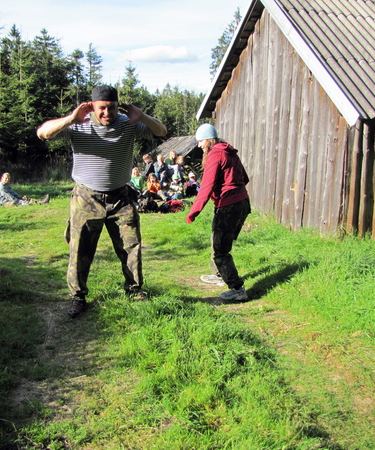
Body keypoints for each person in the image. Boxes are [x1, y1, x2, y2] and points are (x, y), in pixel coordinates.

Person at [36, 85, 167, 318]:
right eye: (102, 108)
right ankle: (78, 296)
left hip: (121, 197)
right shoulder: (78, 124)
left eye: (112, 107)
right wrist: (71, 118)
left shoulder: (128, 124)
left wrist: (142, 117)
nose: (107, 113)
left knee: (131, 246)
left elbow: (161, 131)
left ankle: (134, 290)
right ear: (92, 106)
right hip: (86, 197)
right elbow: (43, 133)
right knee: (80, 248)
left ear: (118, 106)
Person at [185, 123, 251, 302]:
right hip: (242, 202)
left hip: (228, 205)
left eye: (200, 141)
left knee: (220, 250)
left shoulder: (215, 154)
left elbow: (207, 186)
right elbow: (245, 178)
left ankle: (237, 289)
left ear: (208, 139)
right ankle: (220, 274)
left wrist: (193, 211)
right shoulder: (230, 151)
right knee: (219, 241)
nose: (199, 145)